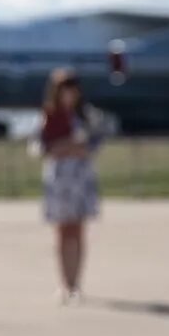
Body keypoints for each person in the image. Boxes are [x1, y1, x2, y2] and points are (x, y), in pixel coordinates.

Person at [39, 68, 102, 302]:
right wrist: (67, 146)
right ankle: (64, 283)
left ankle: (76, 283)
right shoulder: (49, 115)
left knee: (78, 230)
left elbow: (92, 144)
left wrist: (70, 147)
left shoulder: (86, 116)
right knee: (62, 231)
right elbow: (43, 147)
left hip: (80, 177)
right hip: (60, 178)